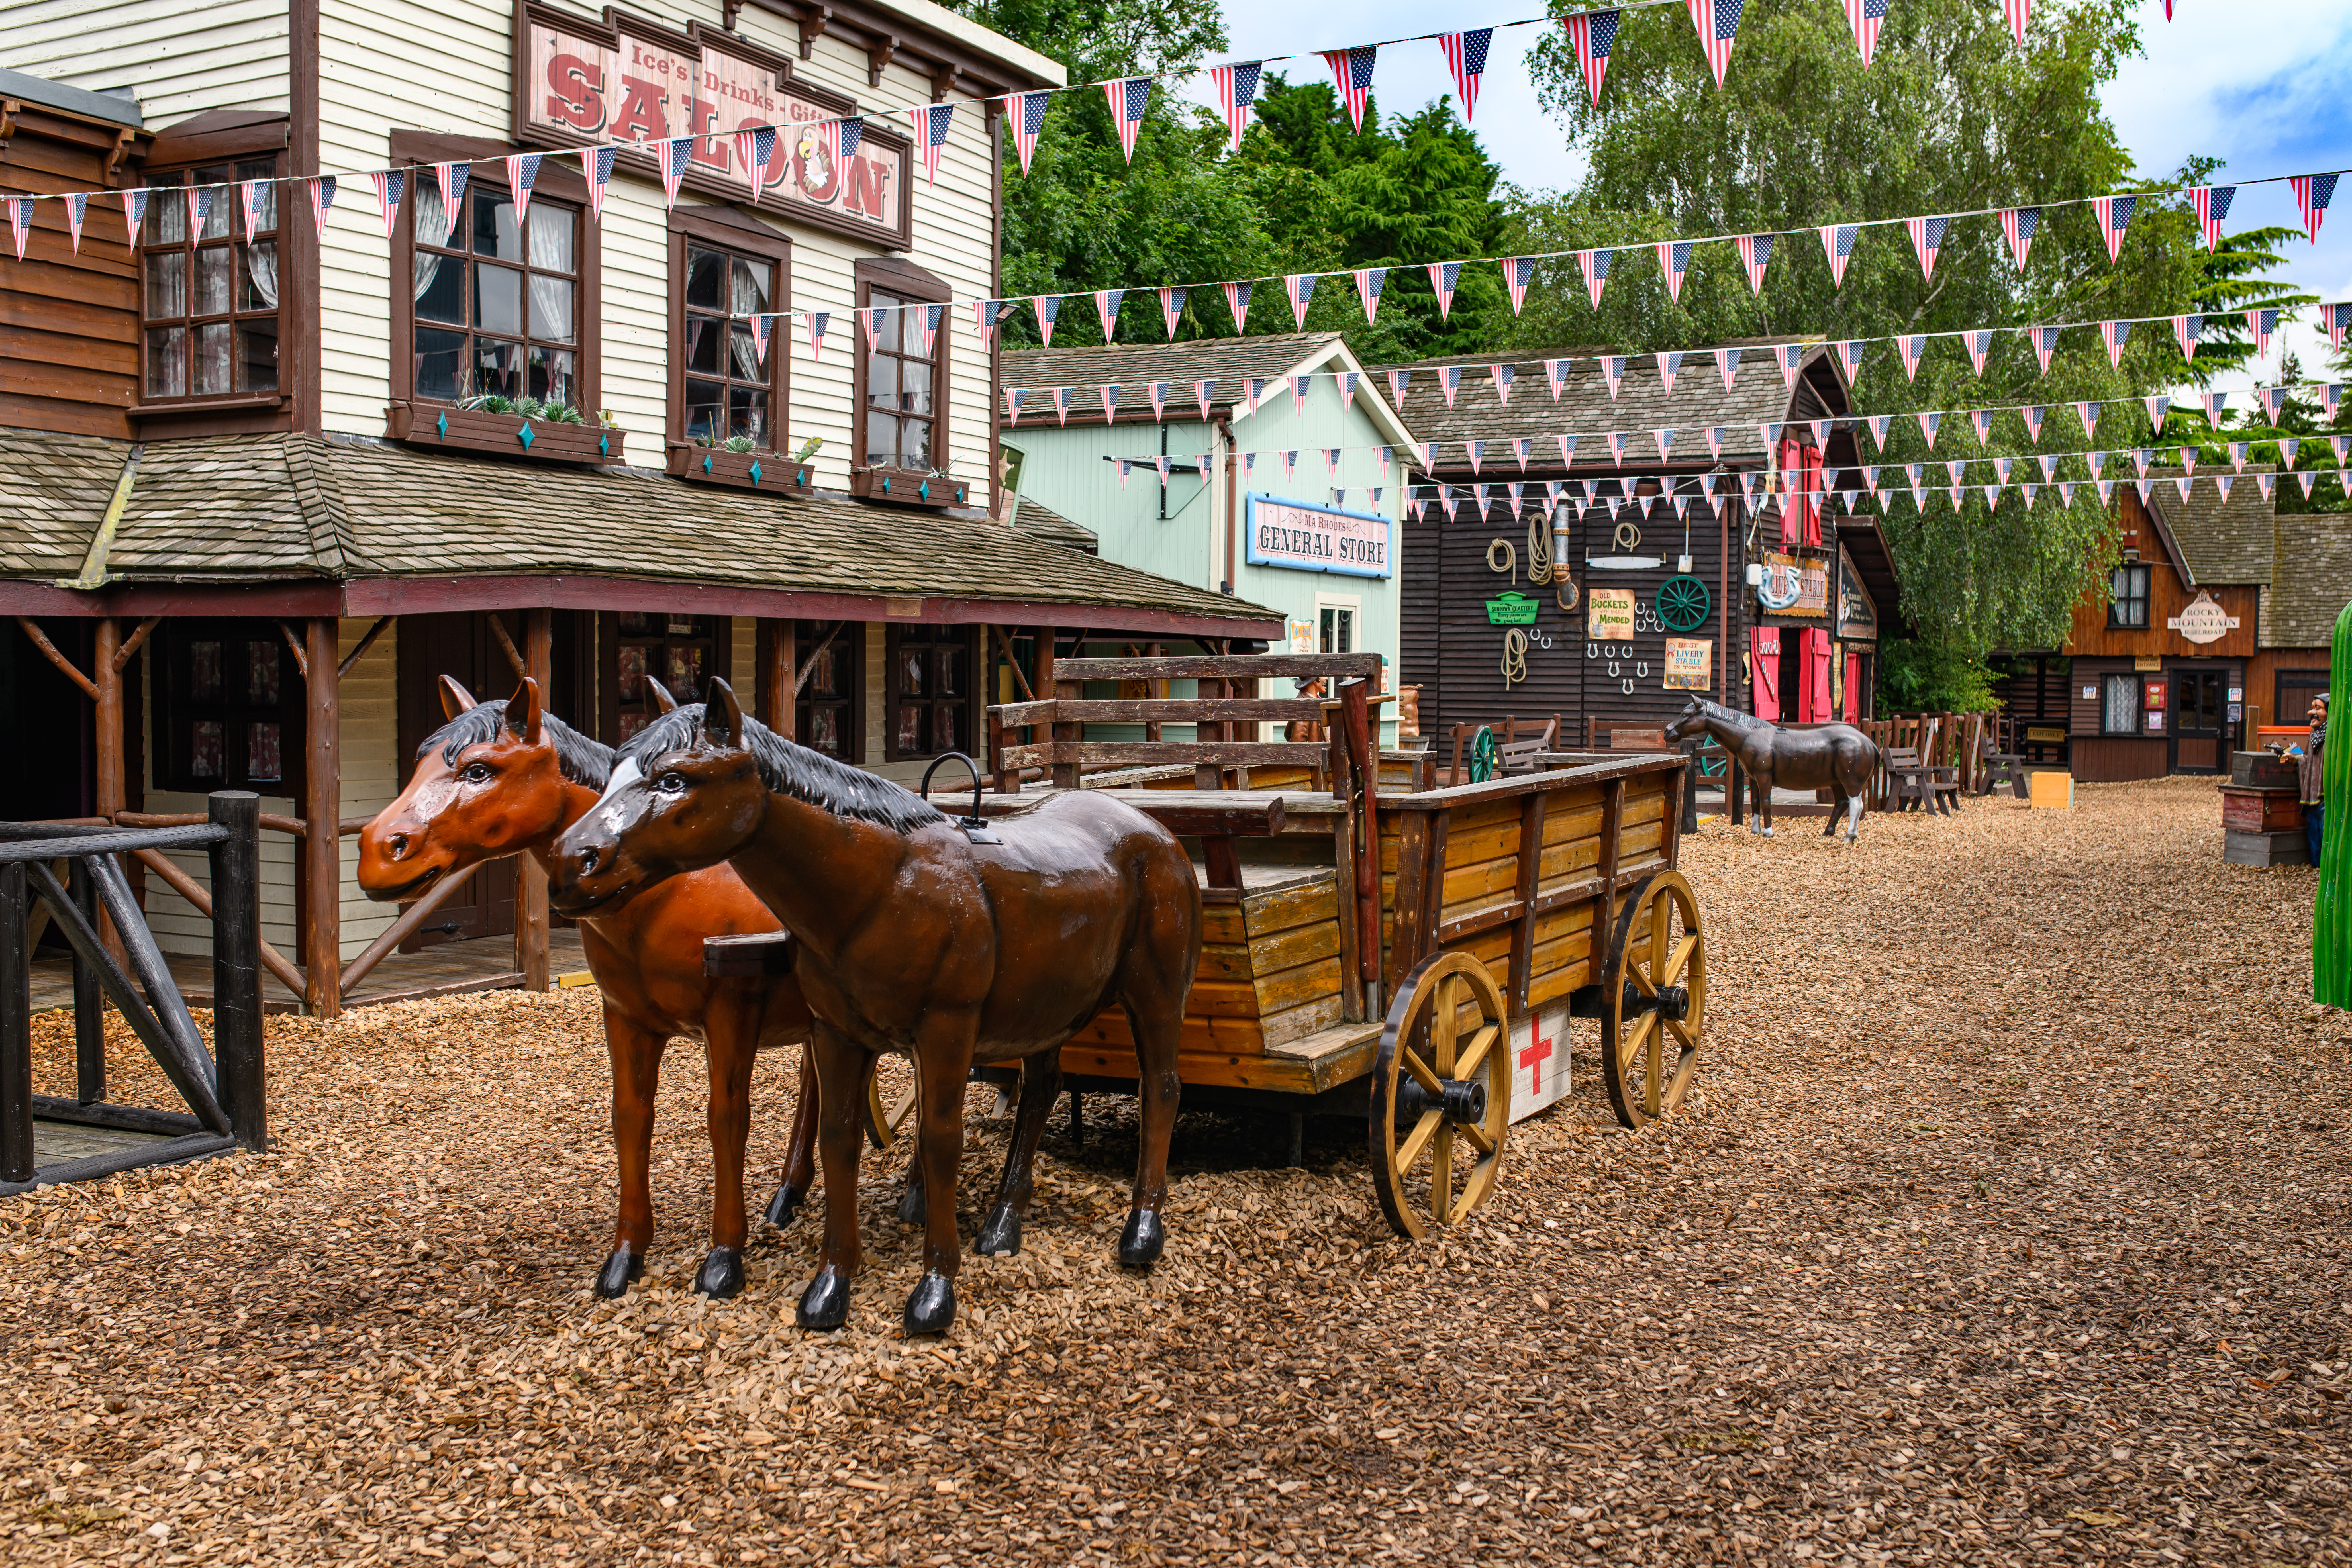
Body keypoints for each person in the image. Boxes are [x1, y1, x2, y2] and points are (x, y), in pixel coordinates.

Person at [2302, 693, 2329, 867]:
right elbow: (2307, 759)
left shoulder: (2334, 734)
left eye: (2318, 708)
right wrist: (2294, 758)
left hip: (2327, 794)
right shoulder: (2314, 733)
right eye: (2313, 708)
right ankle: (2316, 865)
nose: (2312, 713)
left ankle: (2326, 867)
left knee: (2326, 831)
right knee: (2313, 831)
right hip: (2312, 794)